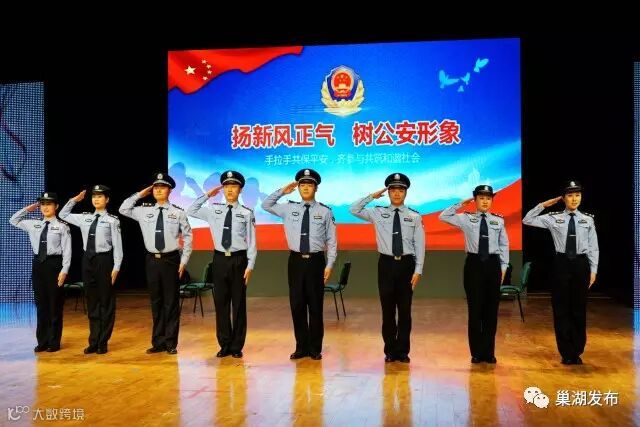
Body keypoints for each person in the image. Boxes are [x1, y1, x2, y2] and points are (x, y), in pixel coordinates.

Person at [262, 168, 337, 360]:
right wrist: (282, 191)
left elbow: (332, 241)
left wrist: (329, 265)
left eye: (309, 184)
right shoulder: (288, 208)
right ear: (298, 187)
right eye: (302, 184)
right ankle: (301, 347)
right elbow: (266, 205)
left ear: (316, 188)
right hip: (295, 261)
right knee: (297, 305)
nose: (305, 188)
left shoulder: (325, 211)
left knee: (315, 307)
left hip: (316, 261)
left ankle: (315, 349)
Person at [349, 173, 424, 363]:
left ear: (406, 192)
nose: (397, 193)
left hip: (407, 265)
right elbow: (354, 209)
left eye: (401, 190)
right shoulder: (377, 212)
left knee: (405, 311)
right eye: (393, 190)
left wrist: (418, 269)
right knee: (388, 311)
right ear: (388, 192)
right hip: (386, 265)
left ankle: (403, 351)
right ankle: (390, 351)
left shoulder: (414, 216)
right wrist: (371, 196)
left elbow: (420, 245)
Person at [522, 180, 599, 365]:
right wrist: (543, 205)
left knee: (579, 309)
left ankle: (577, 350)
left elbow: (593, 247)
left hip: (581, 264)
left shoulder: (588, 219)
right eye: (570, 196)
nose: (574, 199)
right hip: (561, 264)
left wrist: (593, 269)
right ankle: (566, 352)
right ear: (563, 198)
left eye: (577, 195)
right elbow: (527, 220)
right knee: (561, 308)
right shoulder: (553, 217)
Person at [119, 173, 192, 355]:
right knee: (156, 301)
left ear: (170, 190)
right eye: (156, 187)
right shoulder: (144, 211)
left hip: (171, 259)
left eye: (162, 187)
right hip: (152, 260)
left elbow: (188, 237)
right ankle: (158, 342)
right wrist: (139, 194)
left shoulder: (178, 212)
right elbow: (123, 209)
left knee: (171, 302)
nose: (158, 190)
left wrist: (184, 261)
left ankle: (170, 343)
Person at [187, 170, 256, 359]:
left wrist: (250, 265)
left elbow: (252, 241)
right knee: (221, 303)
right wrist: (207, 195)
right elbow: (191, 210)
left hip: (239, 260)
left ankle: (237, 345)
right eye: (226, 186)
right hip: (219, 259)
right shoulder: (213, 210)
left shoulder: (246, 213)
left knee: (238, 304)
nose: (230, 190)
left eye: (234, 186)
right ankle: (224, 344)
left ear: (240, 190)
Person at [439, 185, 509, 364]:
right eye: (481, 198)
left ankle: (489, 352)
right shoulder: (465, 218)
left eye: (488, 198)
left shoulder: (498, 220)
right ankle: (477, 352)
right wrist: (461, 204)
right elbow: (443, 216)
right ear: (475, 200)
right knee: (475, 310)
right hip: (474, 264)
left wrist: (503, 266)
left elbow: (504, 244)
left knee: (491, 311)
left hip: (493, 264)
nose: (485, 201)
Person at [59, 185, 123, 354]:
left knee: (106, 302)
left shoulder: (112, 220)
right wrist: (74, 200)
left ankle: (103, 342)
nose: (96, 199)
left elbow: (118, 246)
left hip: (104, 260)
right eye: (94, 196)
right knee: (92, 301)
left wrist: (116, 266)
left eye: (100, 196)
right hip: (88, 260)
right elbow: (63, 214)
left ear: (107, 200)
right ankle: (93, 341)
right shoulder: (84, 218)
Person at [10, 192, 71, 352]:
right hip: (38, 264)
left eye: (48, 204)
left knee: (54, 305)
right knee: (41, 305)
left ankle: (54, 342)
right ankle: (42, 341)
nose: (45, 207)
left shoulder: (62, 226)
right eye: (42, 204)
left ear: (56, 206)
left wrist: (64, 270)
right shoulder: (33, 223)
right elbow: (13, 220)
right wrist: (28, 209)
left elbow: (67, 251)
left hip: (54, 264)